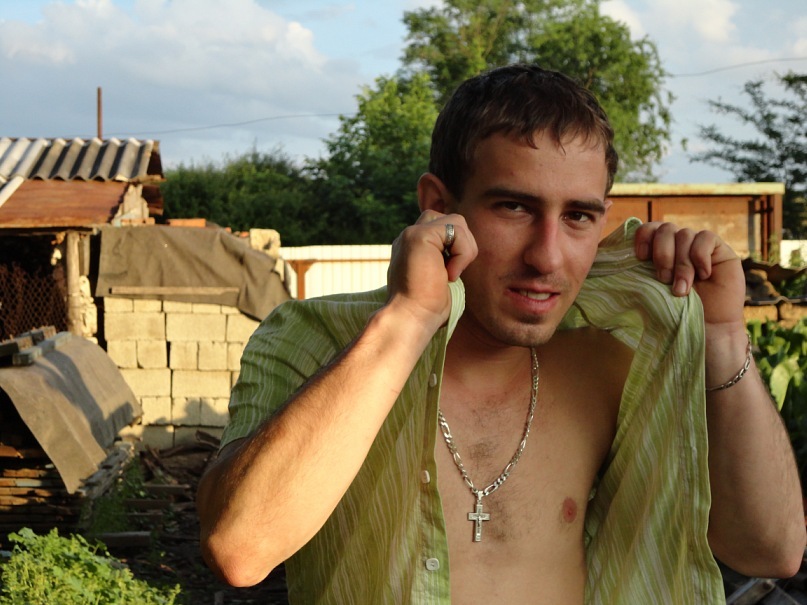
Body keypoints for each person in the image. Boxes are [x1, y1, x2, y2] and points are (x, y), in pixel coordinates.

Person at [197, 64, 806, 604]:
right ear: (438, 205)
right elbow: (240, 552)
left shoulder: (612, 361)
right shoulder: (312, 339)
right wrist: (409, 318)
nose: (547, 257)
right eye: (514, 207)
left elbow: (771, 551)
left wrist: (722, 336)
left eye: (578, 216)